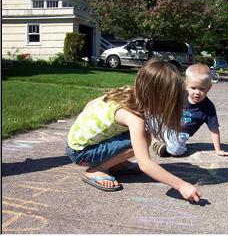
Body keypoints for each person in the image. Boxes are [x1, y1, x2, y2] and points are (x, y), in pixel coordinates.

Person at [65, 60, 201, 202]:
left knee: (142, 135)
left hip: (76, 144)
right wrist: (181, 185)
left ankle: (117, 163)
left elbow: (90, 104)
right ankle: (96, 170)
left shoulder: (126, 92)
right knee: (144, 137)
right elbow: (145, 164)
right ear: (158, 98)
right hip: (82, 154)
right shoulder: (134, 118)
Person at [152, 63, 228, 157]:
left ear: (209, 88)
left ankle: (160, 144)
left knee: (177, 151)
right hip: (166, 125)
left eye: (202, 89)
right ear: (186, 85)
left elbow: (214, 129)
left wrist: (218, 150)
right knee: (151, 117)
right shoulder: (180, 96)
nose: (197, 92)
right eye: (193, 88)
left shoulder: (208, 108)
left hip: (180, 134)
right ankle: (155, 138)